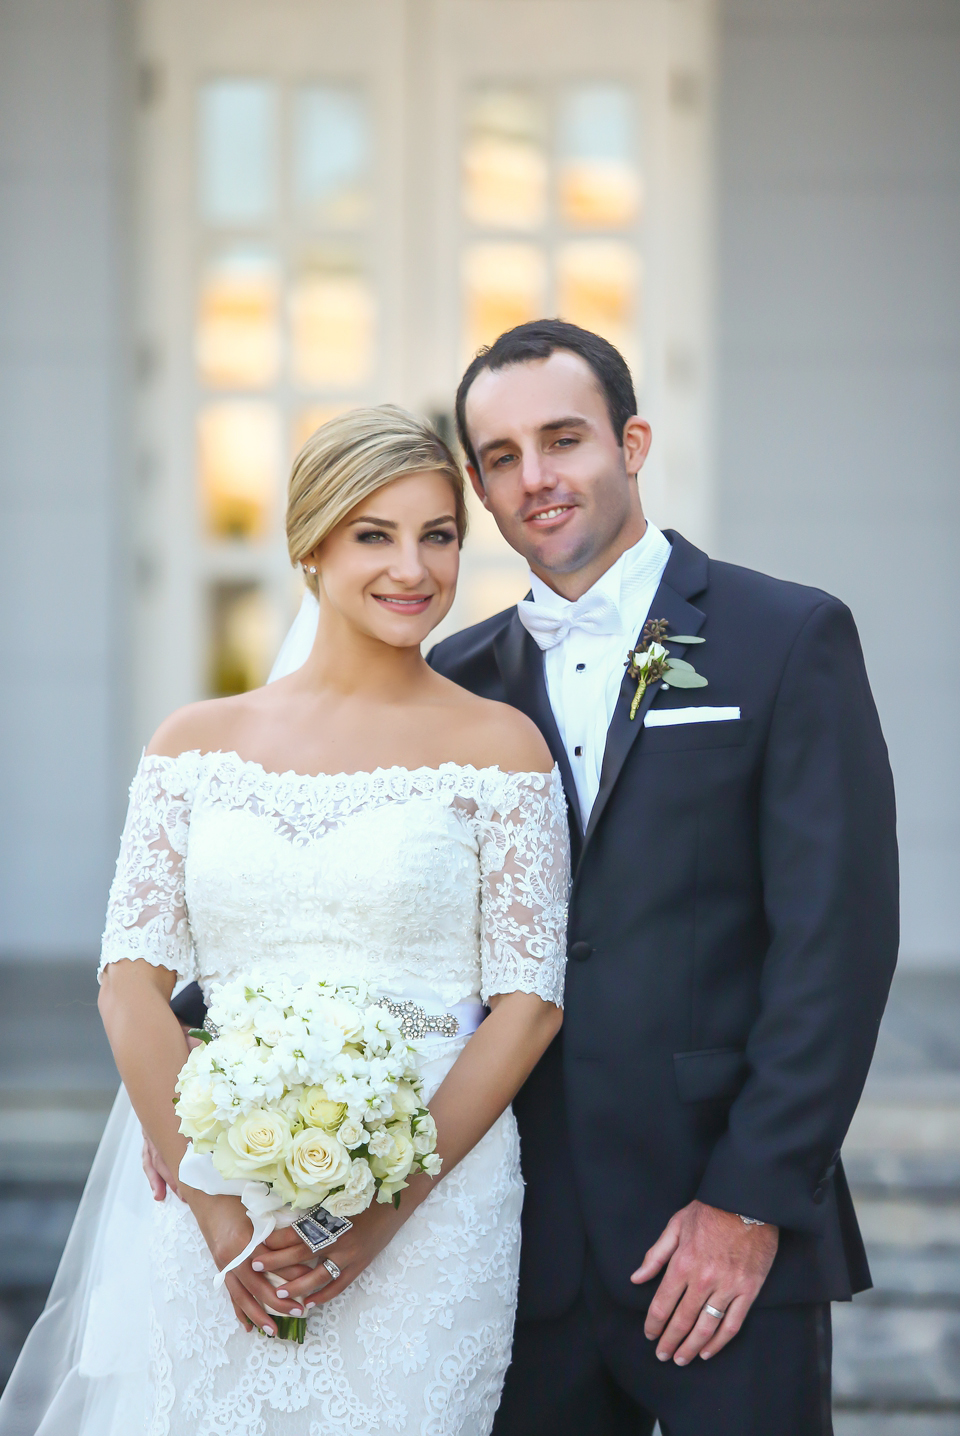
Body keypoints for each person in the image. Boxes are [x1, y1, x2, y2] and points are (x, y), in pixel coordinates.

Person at [0, 406, 569, 1436]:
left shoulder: (503, 745)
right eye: (374, 533)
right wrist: (220, 1215)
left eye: (438, 534)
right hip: (222, 1188)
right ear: (309, 545)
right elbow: (128, 983)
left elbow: (528, 1005)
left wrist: (375, 1218)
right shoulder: (194, 743)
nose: (414, 567)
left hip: (431, 1209)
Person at [422, 320, 897, 1435]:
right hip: (514, 1249)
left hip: (724, 1240)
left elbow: (837, 943)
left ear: (632, 441)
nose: (535, 478)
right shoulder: (453, 681)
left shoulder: (786, 637)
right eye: (500, 457)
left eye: (564, 438)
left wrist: (747, 1196)